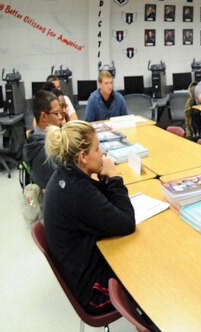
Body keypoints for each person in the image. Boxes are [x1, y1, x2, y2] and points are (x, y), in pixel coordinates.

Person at [42, 120, 135, 315]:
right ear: (83, 157)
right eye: (97, 148)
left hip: (86, 263)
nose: (102, 153)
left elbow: (101, 202)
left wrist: (105, 180)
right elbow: (127, 223)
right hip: (95, 292)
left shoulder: (67, 174)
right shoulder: (77, 191)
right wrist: (114, 178)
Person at [23, 90, 64, 188]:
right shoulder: (48, 151)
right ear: (44, 117)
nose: (60, 117)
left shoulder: (32, 139)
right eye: (56, 113)